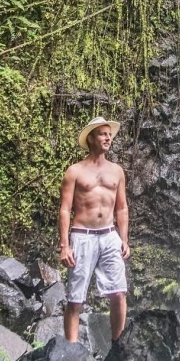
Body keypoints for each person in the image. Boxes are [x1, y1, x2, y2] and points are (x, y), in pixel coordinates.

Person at [59, 116, 130, 343]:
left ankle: (117, 347)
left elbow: (122, 208)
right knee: (75, 299)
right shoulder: (74, 171)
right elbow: (64, 210)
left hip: (110, 236)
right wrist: (65, 246)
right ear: (91, 138)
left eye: (110, 134)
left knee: (118, 292)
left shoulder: (117, 171)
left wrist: (124, 239)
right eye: (103, 134)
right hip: (83, 236)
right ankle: (71, 351)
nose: (108, 138)